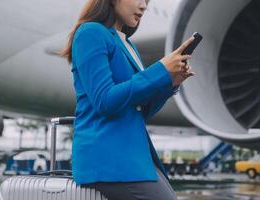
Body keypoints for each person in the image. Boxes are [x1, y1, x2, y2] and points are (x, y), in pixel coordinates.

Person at [61, 0, 195, 199]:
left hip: (133, 160)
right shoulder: (90, 33)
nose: (144, 6)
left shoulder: (127, 44)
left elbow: (140, 110)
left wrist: (170, 84)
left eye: (148, 1)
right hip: (108, 161)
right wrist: (160, 70)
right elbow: (104, 101)